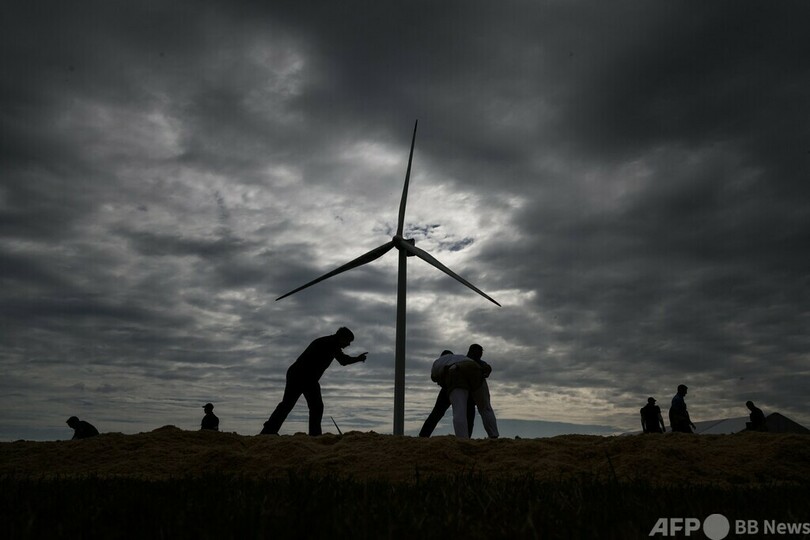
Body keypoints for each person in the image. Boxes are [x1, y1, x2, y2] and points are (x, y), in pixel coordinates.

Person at [260, 327, 367, 436]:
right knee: (309, 406)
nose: (348, 344)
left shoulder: (329, 342)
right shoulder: (331, 344)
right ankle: (313, 435)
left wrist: (357, 359)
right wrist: (358, 359)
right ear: (341, 338)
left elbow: (342, 359)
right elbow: (343, 360)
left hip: (304, 376)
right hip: (302, 376)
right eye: (348, 341)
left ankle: (269, 431)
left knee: (296, 405)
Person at [431, 346, 498, 439]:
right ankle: (494, 435)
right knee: (485, 408)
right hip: (475, 368)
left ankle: (463, 439)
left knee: (459, 411)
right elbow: (485, 367)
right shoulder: (459, 357)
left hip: (456, 371)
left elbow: (434, 378)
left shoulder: (438, 362)